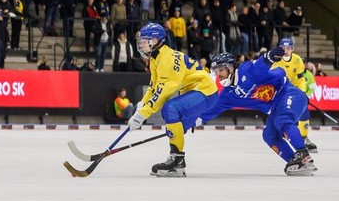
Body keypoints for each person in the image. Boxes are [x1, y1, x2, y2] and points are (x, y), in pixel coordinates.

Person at [199, 50, 315, 175]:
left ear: (231, 68)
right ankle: (297, 162)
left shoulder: (245, 70)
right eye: (216, 72)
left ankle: (303, 154)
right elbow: (211, 109)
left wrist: (269, 57)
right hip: (276, 107)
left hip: (289, 94)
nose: (218, 75)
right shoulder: (228, 95)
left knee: (282, 119)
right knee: (269, 135)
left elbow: (259, 65)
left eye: (221, 70)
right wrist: (190, 121)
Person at [127, 22, 218, 177]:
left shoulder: (167, 59)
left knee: (170, 108)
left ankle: (177, 162)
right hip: (195, 92)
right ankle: (177, 160)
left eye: (146, 40)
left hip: (204, 91)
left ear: (157, 40)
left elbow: (163, 92)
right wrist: (143, 103)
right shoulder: (157, 58)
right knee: (175, 128)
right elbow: (154, 86)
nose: (141, 44)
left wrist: (144, 114)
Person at [271, 36, 316, 151]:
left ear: (292, 48)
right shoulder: (276, 61)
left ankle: (304, 137)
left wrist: (302, 93)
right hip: (282, 90)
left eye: (289, 48)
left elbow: (301, 78)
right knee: (281, 114)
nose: (286, 51)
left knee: (304, 110)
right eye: (284, 48)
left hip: (295, 90)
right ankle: (280, 134)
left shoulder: (297, 60)